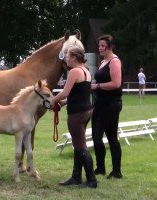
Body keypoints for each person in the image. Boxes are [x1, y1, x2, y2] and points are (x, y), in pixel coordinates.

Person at [50, 46, 97, 188]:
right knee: (78, 144)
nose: (66, 59)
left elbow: (65, 92)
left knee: (81, 146)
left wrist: (53, 100)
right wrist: (63, 103)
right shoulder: (86, 70)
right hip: (86, 110)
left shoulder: (74, 71)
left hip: (77, 113)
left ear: (75, 58)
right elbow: (77, 94)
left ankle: (91, 180)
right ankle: (76, 177)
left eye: (68, 56)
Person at [91, 34, 123, 179]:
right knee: (96, 137)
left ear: (110, 47)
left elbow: (116, 84)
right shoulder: (103, 61)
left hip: (111, 104)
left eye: (103, 46)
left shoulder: (114, 61)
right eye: (99, 46)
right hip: (100, 102)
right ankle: (101, 167)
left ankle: (116, 171)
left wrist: (96, 86)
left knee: (111, 138)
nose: (100, 48)